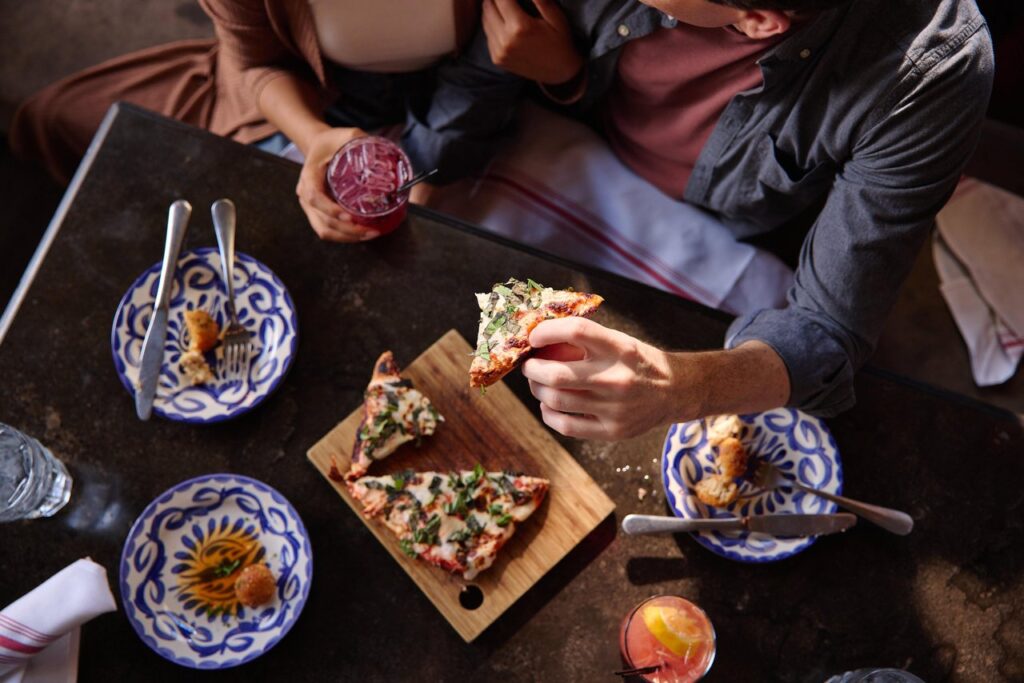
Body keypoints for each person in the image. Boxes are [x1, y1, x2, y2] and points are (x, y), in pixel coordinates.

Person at [470, 0, 993, 440]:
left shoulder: (933, 69)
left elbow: (827, 330)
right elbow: (474, 64)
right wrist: (566, 78)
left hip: (728, 234)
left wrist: (676, 387)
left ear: (758, 21)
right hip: (564, 138)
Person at [9, 0, 523, 243]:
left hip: (472, 94)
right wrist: (315, 136)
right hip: (314, 89)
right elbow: (255, 62)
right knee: (53, 119)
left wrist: (432, 155)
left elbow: (501, 65)